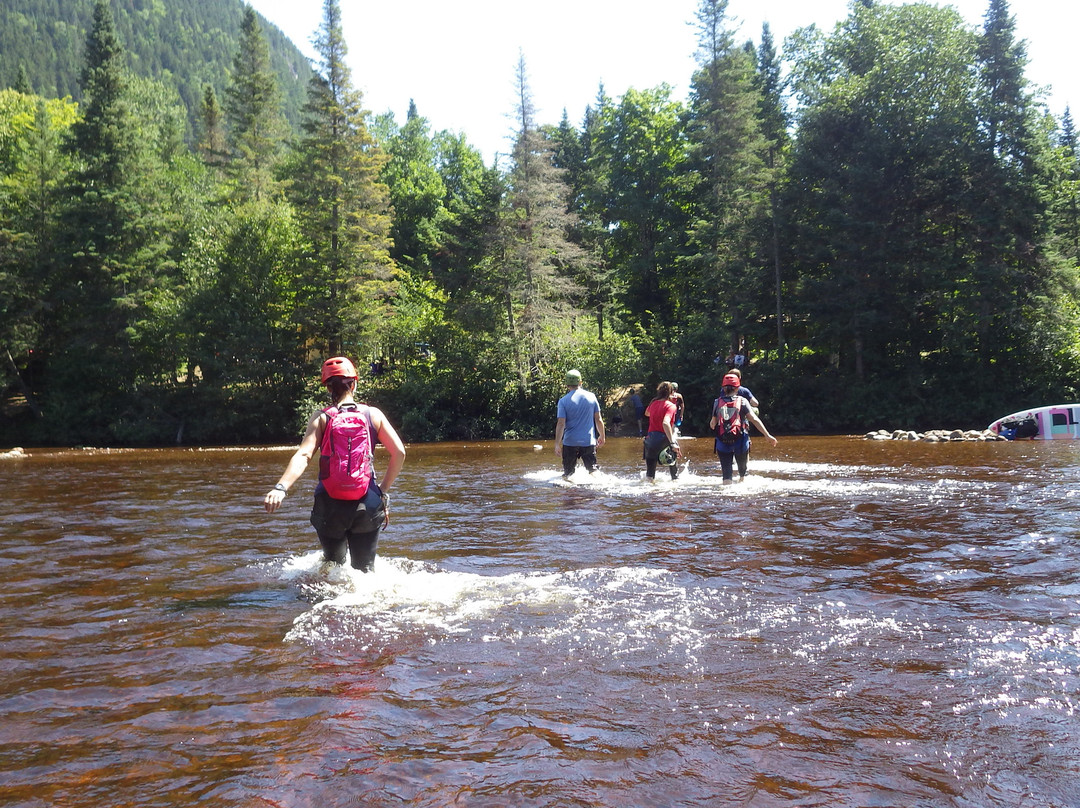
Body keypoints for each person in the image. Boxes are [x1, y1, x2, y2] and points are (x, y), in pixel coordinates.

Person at [263, 356, 406, 572]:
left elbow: (304, 455)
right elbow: (399, 453)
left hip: (329, 504)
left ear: (328, 387)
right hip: (367, 501)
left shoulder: (322, 417)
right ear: (354, 383)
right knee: (365, 570)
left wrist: (281, 487)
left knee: (332, 567)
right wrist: (382, 490)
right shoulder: (373, 414)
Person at [709, 372, 777, 485]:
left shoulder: (717, 402)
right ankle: (741, 485)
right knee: (742, 475)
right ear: (737, 388)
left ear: (723, 388)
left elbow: (712, 423)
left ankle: (726, 492)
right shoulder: (743, 401)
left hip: (722, 441)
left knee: (726, 477)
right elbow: (754, 419)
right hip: (740, 441)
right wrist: (767, 435)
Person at [554, 369, 606, 479]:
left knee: (568, 473)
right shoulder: (591, 397)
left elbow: (561, 424)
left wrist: (557, 444)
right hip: (588, 441)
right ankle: (600, 482)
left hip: (570, 442)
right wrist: (602, 436)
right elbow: (598, 419)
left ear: (567, 384)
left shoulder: (563, 401)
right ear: (580, 382)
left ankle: (569, 486)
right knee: (593, 469)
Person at [643, 381, 682, 482]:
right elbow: (665, 423)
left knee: (650, 476)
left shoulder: (653, 403)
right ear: (671, 392)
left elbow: (647, 413)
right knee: (674, 473)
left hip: (650, 439)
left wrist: (656, 413)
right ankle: (675, 483)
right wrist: (672, 443)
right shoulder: (671, 406)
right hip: (663, 439)